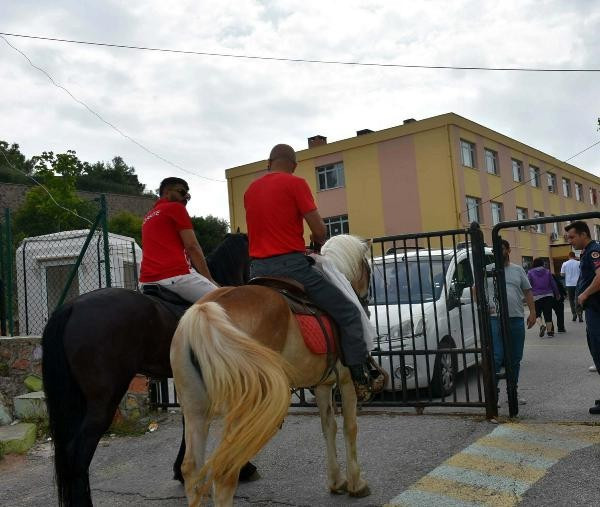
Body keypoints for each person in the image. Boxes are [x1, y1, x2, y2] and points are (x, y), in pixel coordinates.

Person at [244, 143, 378, 401]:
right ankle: (361, 378)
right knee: (349, 312)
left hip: (257, 270)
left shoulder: (250, 190)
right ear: (293, 165)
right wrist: (315, 242)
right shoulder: (296, 184)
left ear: (268, 163)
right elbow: (319, 230)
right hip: (292, 268)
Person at [139, 177, 218, 302]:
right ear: (167, 192)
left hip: (145, 282)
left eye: (188, 194)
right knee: (229, 302)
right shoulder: (175, 208)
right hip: (176, 276)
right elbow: (192, 246)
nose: (186, 196)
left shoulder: (147, 217)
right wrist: (209, 279)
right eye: (181, 192)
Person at [483, 240, 536, 404]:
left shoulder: (517, 270)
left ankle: (513, 391)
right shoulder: (487, 270)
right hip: (495, 319)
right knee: (497, 356)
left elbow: (527, 291)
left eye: (502, 249)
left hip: (515, 318)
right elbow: (475, 290)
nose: (499, 252)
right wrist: (484, 306)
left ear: (508, 250)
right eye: (496, 250)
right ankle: (495, 394)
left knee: (515, 357)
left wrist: (533, 312)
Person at [565, 221, 600, 414]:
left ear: (583, 234)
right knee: (597, 353)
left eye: (572, 237)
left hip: (596, 309)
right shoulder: (587, 252)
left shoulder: (594, 250)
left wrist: (584, 294)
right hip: (593, 311)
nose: (570, 241)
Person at [527, 258, 560, 337]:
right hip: (548, 295)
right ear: (542, 263)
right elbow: (553, 283)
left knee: (538, 313)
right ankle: (550, 332)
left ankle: (541, 325)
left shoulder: (530, 273)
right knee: (548, 313)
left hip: (536, 296)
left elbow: (528, 285)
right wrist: (557, 293)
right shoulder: (547, 272)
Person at [560, 251, 583, 322]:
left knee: (571, 300)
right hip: (578, 284)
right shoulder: (579, 263)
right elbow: (582, 272)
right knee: (578, 299)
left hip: (569, 284)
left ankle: (574, 314)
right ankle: (580, 314)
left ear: (569, 256)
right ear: (574, 256)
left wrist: (567, 274)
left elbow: (562, 274)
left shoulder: (565, 263)